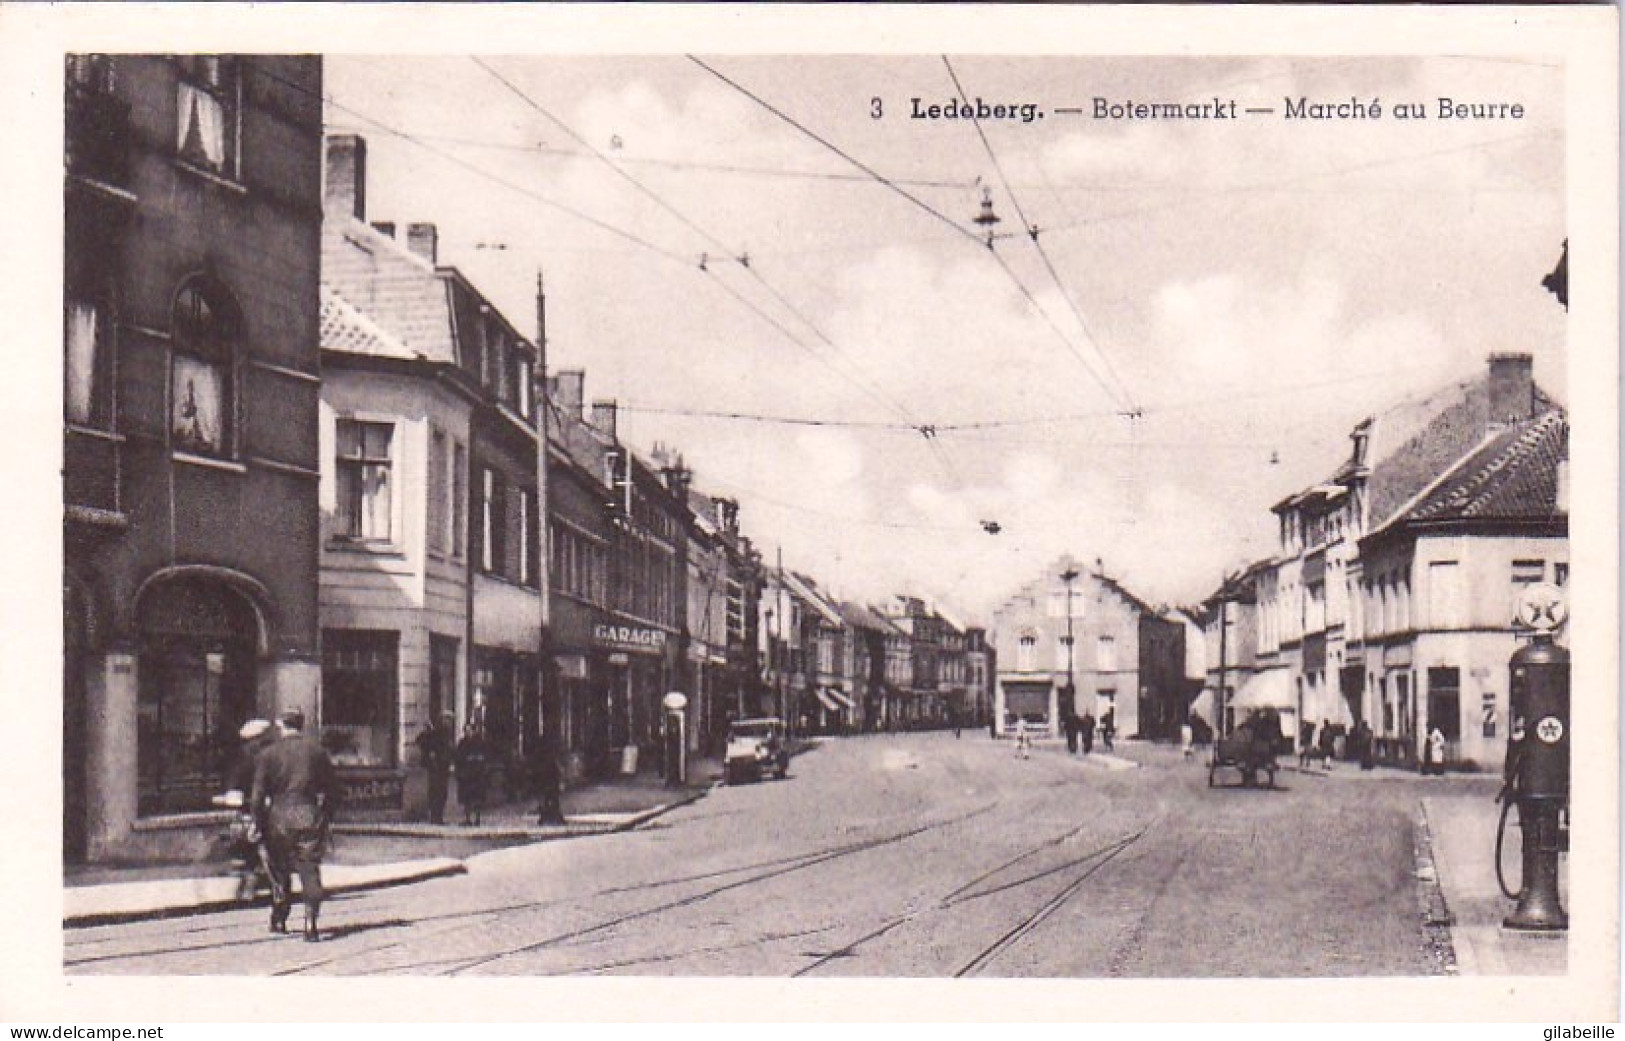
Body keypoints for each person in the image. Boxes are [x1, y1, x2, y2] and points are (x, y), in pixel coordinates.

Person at [252, 708, 338, 942]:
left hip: (278, 817)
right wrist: (326, 816)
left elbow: (258, 794)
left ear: (281, 725)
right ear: (301, 725)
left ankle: (279, 917)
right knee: (309, 870)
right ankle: (310, 923)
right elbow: (332, 789)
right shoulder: (317, 752)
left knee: (279, 870)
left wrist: (256, 822)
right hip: (309, 815)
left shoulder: (268, 754)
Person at [219, 718, 278, 901]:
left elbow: (234, 782)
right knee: (257, 844)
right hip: (258, 806)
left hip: (253, 806)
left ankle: (255, 880)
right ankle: (258, 879)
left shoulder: (247, 756)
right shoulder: (252, 757)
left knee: (253, 844)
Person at [414, 712, 455, 825]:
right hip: (436, 768)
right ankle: (435, 817)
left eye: (450, 720)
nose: (448, 723)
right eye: (447, 720)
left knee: (442, 793)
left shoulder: (446, 735)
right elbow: (420, 741)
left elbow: (449, 750)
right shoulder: (436, 734)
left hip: (443, 768)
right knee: (436, 792)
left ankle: (438, 816)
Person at [454, 724, 491, 826]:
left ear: (473, 731)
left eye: (469, 730)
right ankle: (468, 819)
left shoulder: (479, 742)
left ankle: (477, 819)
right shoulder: (462, 743)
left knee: (477, 798)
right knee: (467, 799)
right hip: (466, 775)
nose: (467, 732)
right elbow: (458, 757)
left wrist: (477, 760)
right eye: (465, 730)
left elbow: (485, 756)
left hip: (477, 775)